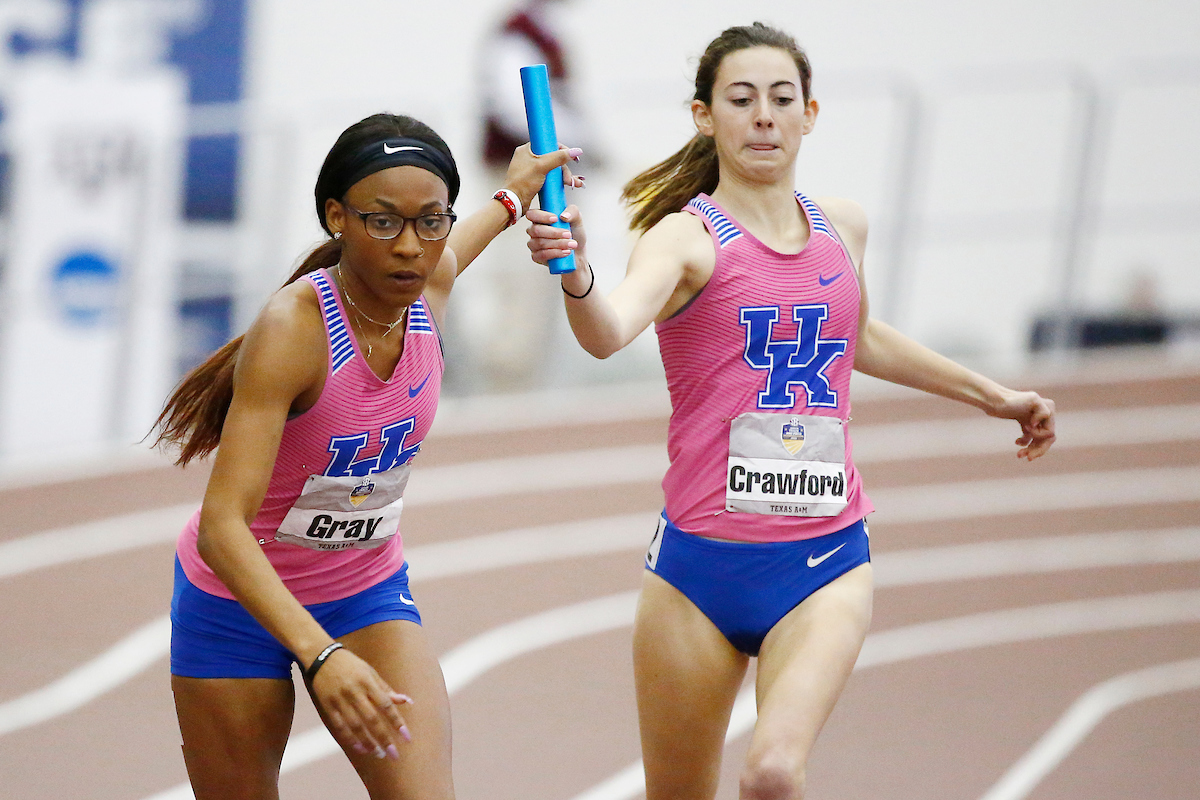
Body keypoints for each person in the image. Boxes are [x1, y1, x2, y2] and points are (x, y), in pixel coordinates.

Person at [527, 22, 1056, 800]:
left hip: (823, 561)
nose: (764, 116)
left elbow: (860, 337)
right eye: (741, 100)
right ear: (706, 116)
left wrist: (994, 395)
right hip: (695, 572)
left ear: (810, 114)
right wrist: (572, 270)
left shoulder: (844, 227)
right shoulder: (682, 240)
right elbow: (606, 333)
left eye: (782, 99)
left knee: (773, 773)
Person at [153, 112, 578, 800]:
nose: (411, 247)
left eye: (430, 221)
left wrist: (516, 191)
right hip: (236, 600)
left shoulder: (429, 285)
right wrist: (319, 655)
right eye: (383, 222)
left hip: (363, 593)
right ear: (336, 219)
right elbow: (221, 525)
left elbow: (470, 231)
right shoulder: (295, 329)